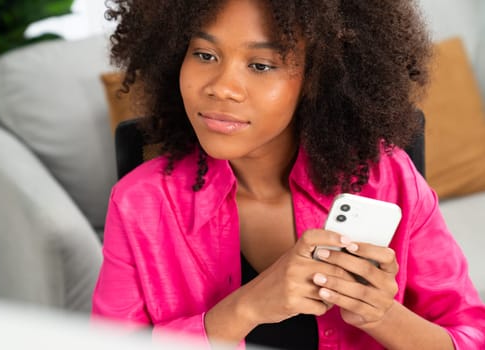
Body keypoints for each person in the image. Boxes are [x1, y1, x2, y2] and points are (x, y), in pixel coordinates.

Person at [92, 0, 485, 349]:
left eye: (260, 65)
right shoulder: (138, 204)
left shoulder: (389, 178)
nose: (221, 88)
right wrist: (244, 309)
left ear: (317, 79)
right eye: (205, 55)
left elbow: (470, 336)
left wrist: (382, 315)